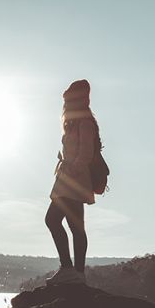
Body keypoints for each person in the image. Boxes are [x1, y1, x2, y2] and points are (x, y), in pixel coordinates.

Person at [45, 79, 98, 285]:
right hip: (67, 180)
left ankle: (74, 272)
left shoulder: (85, 123)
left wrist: (71, 168)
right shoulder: (73, 123)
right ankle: (73, 272)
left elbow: (86, 153)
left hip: (74, 181)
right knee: (69, 225)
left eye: (69, 100)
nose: (65, 105)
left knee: (59, 222)